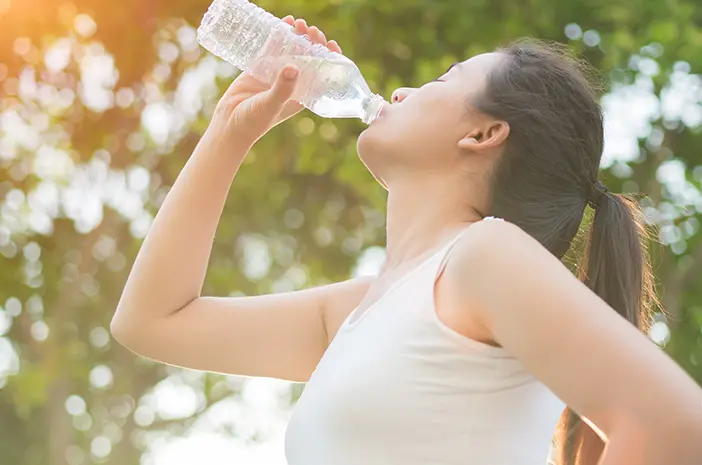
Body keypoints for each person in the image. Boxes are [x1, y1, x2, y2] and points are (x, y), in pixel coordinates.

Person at [110, 16, 702, 465]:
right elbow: (151, 322)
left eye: (440, 81)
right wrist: (228, 133)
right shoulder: (359, 310)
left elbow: (675, 427)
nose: (398, 94)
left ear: (484, 133)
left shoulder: (484, 257)